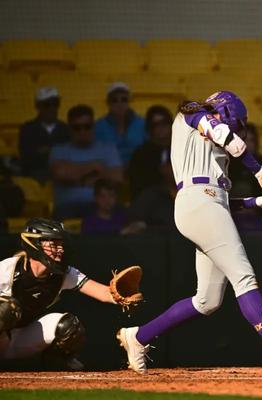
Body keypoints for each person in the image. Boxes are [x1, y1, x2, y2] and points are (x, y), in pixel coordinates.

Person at [116, 91, 262, 375]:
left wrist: (261, 201)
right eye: (234, 122)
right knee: (245, 278)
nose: (236, 129)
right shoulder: (191, 114)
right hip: (198, 205)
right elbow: (228, 143)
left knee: (207, 300)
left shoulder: (215, 153)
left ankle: (137, 337)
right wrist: (260, 171)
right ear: (224, 113)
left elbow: (221, 199)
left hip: (206, 207)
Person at [0, 218, 129, 369]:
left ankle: (59, 373)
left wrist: (123, 294)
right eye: (53, 243)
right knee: (8, 308)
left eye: (60, 243)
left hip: (18, 341)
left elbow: (104, 293)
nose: (60, 249)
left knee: (69, 326)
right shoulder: (7, 269)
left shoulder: (63, 273)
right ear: (34, 243)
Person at [49, 105, 123, 220]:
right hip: (68, 207)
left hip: (102, 206)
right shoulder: (59, 150)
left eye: (87, 126)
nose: (82, 131)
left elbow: (117, 178)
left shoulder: (108, 149)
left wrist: (75, 175)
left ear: (93, 126)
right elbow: (60, 173)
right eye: (77, 127)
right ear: (69, 129)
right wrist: (96, 167)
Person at [228, 123, 262, 232]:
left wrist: (256, 209)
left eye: (251, 140)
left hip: (259, 217)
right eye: (244, 140)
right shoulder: (226, 164)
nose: (248, 144)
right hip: (230, 216)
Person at [19, 87, 69, 183]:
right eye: (47, 105)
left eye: (55, 104)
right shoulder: (27, 129)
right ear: (38, 106)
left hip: (62, 176)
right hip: (36, 177)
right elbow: (27, 158)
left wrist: (45, 151)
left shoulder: (66, 129)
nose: (52, 108)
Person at [128, 105, 173, 200]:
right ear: (149, 128)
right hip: (151, 203)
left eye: (164, 123)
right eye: (155, 124)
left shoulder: (182, 149)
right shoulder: (141, 154)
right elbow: (138, 185)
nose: (161, 127)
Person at [121, 158, 177, 234]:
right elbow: (133, 224)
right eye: (173, 165)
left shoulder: (192, 195)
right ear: (163, 168)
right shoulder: (150, 196)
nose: (177, 170)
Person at [94, 82, 145, 165]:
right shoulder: (98, 127)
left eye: (124, 99)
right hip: (109, 171)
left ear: (129, 102)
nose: (119, 104)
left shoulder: (142, 124)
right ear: (108, 103)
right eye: (115, 100)